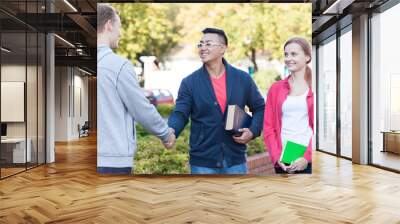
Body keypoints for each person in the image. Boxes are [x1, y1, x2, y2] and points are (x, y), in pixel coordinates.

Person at [168, 28, 265, 174]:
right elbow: (180, 113)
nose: (203, 48)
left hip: (236, 159)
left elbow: (260, 108)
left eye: (208, 44)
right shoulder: (189, 82)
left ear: (223, 48)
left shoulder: (242, 79)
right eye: (200, 44)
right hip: (203, 162)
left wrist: (252, 131)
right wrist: (171, 130)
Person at [97, 3, 175, 174]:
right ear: (109, 24)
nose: (121, 32)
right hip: (112, 160)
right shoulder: (117, 66)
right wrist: (165, 134)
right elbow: (141, 107)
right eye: (119, 26)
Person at [263, 37, 314, 174]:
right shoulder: (276, 88)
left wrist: (307, 157)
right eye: (286, 54)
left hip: (309, 157)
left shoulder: (316, 87)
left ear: (307, 57)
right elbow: (269, 127)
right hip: (284, 157)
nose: (288, 58)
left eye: (294, 54)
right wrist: (276, 156)